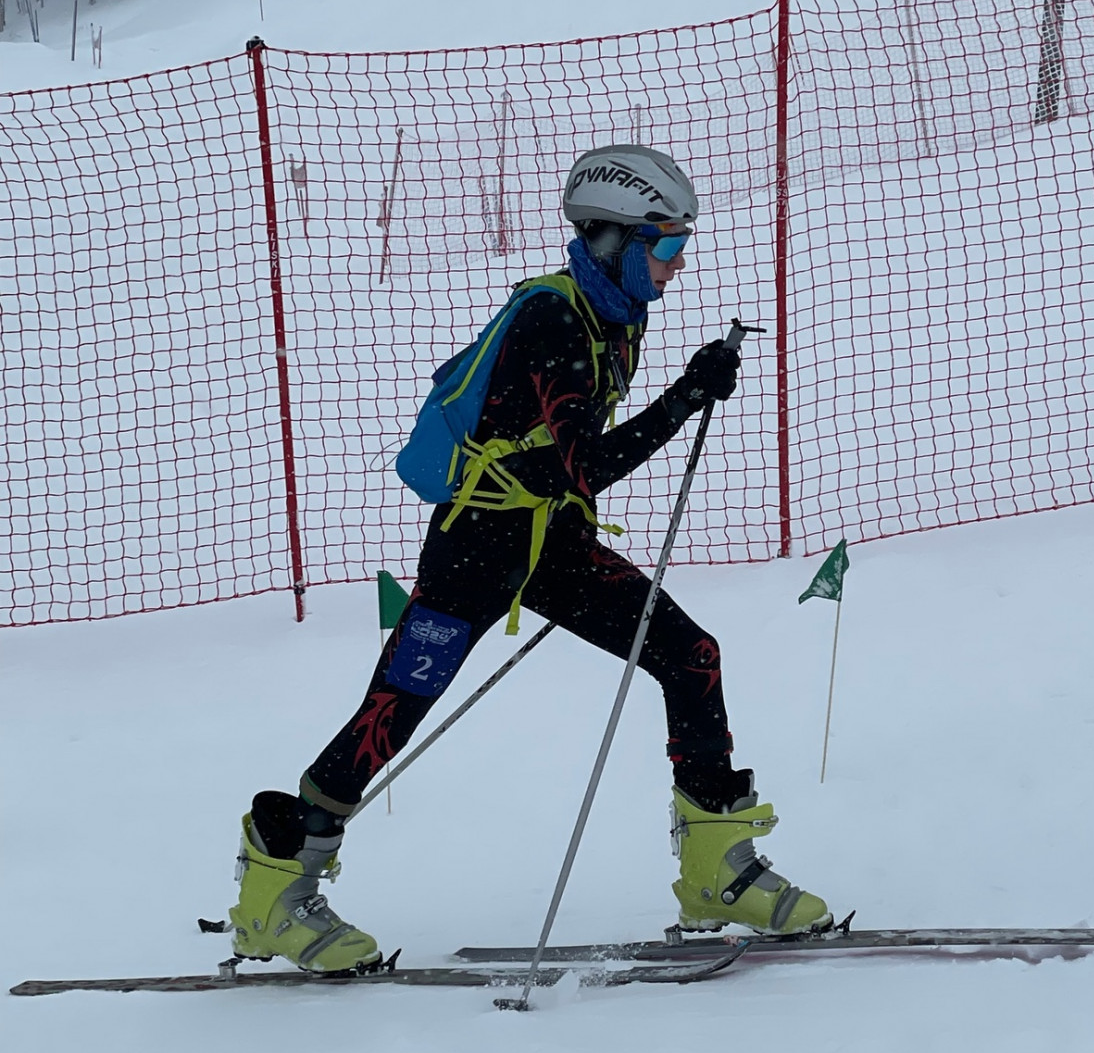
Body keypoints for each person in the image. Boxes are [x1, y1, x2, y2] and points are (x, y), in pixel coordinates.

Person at [227, 144, 832, 971]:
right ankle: (274, 887)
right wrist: (688, 396)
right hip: (476, 546)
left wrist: (683, 392)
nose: (675, 265)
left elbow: (563, 466)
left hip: (553, 544)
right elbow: (590, 462)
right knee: (395, 708)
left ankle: (716, 873)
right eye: (664, 245)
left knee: (690, 656)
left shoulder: (614, 316)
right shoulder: (555, 320)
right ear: (613, 239)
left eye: (680, 245)